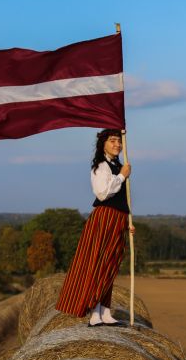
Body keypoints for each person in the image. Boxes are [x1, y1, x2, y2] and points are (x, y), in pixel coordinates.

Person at [55, 129, 135, 326]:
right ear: (103, 144)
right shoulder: (101, 166)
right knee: (97, 264)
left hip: (117, 220)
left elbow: (121, 199)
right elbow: (102, 193)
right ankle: (94, 314)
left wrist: (128, 223)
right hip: (104, 219)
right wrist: (122, 176)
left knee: (110, 266)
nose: (118, 144)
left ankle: (105, 312)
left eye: (119, 141)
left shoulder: (117, 165)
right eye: (113, 141)